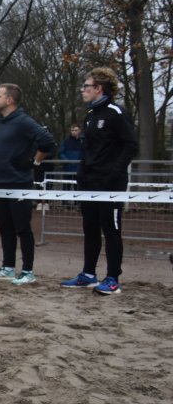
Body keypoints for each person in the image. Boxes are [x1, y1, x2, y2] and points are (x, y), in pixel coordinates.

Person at [60, 67, 138, 295]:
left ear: (99, 88)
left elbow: (131, 145)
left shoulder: (116, 113)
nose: (82, 90)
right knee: (90, 228)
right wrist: (82, 172)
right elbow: (88, 149)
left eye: (86, 86)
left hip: (111, 184)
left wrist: (114, 173)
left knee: (111, 229)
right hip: (90, 183)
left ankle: (113, 278)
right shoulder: (91, 116)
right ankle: (88, 274)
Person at [0, 84, 56, 285]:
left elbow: (48, 142)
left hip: (19, 183)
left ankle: (28, 271)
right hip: (0, 183)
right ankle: (7, 268)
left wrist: (34, 162)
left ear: (9, 100)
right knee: (5, 228)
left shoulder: (23, 121)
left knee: (22, 228)